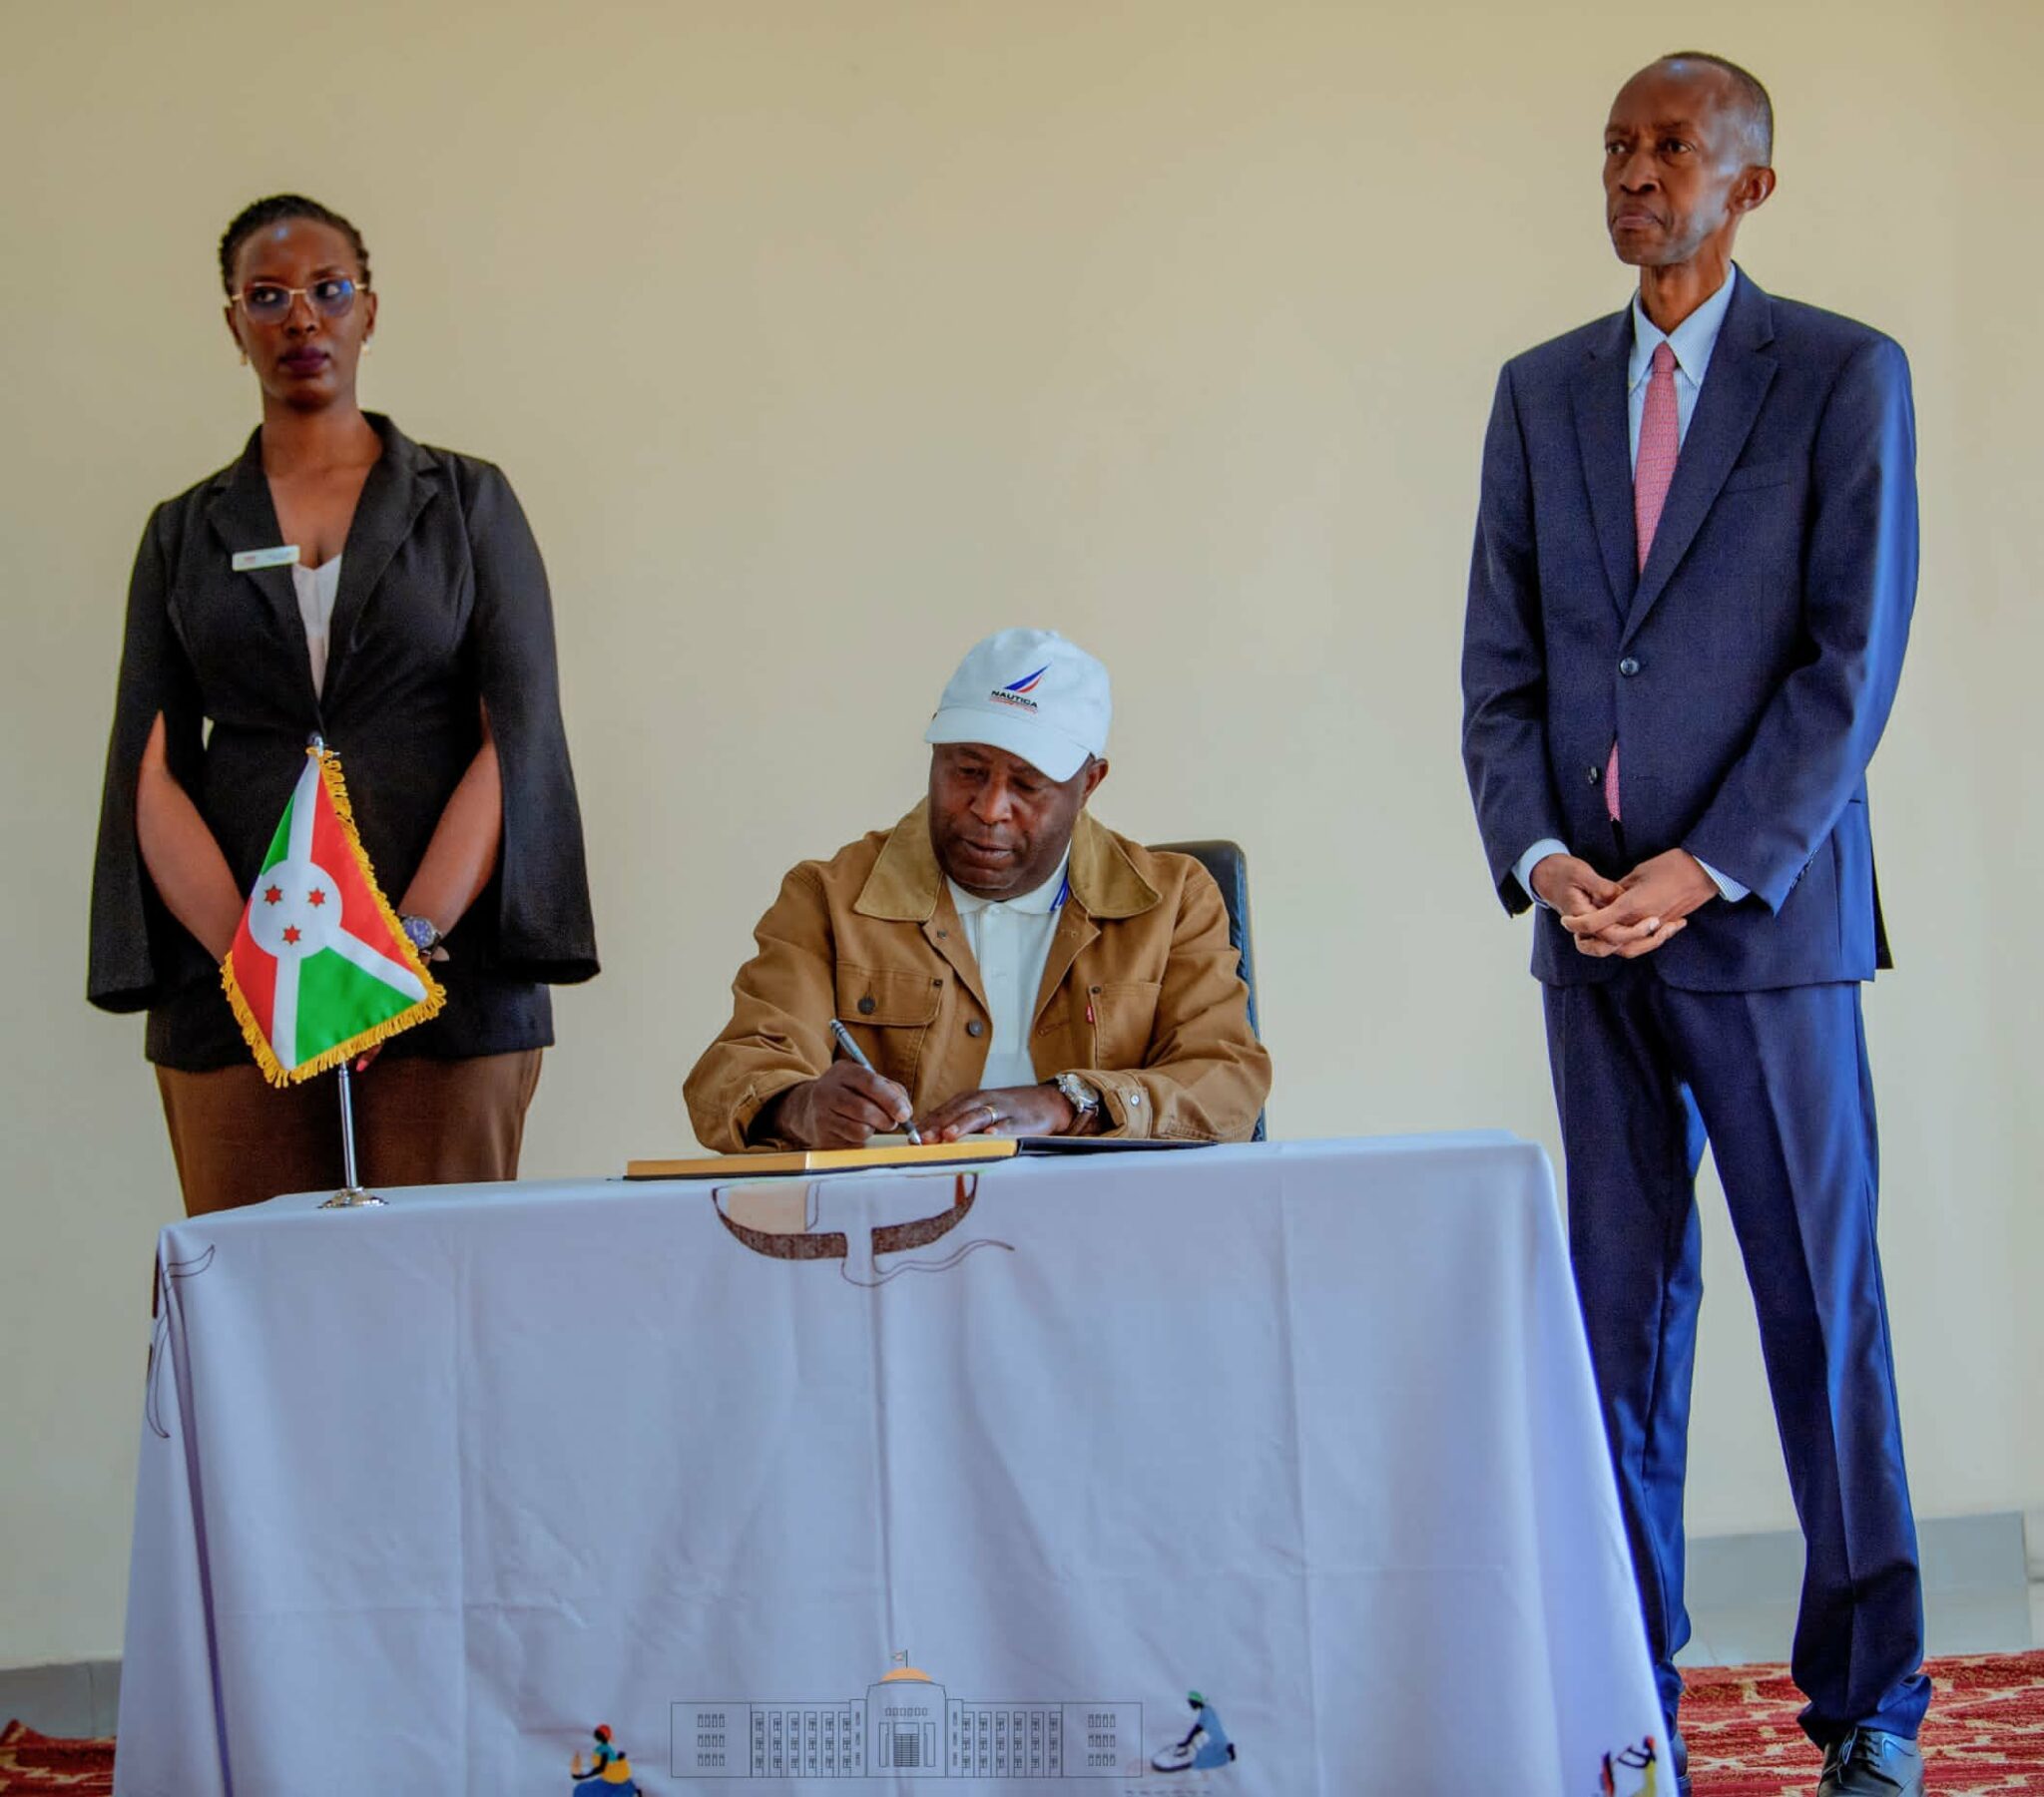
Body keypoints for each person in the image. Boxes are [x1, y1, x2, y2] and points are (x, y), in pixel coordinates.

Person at [1460, 53, 1925, 1797]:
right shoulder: (1537, 394)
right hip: (1588, 938)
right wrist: (1542, 859)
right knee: (1617, 1330)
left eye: (1669, 148)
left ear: (1750, 185)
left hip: (1764, 931)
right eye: (1616, 147)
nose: (1632, 173)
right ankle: (1625, 1695)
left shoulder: (1842, 377)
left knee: (1821, 1316)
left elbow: (1845, 668)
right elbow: (1498, 672)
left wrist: (1706, 865)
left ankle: (1872, 1706)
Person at [89, 195, 598, 1214]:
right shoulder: (182, 532)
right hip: (238, 991)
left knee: (432, 1285)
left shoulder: (469, 502)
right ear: (233, 324)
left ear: (369, 309)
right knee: (261, 1290)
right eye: (267, 296)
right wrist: (258, 960)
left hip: (440, 980)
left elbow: (516, 737)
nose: (301, 318)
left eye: (328, 290)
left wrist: (400, 939)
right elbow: (150, 767)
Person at [686, 629, 1270, 1148]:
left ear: (1089, 784)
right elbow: (734, 1073)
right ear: (935, 757)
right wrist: (798, 1108)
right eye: (967, 771)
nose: (990, 808)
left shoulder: (1174, 900)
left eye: (1027, 785)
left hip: (1107, 1221)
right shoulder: (828, 897)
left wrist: (1068, 1104)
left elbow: (1228, 1085)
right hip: (899, 1225)